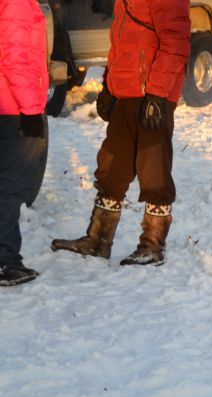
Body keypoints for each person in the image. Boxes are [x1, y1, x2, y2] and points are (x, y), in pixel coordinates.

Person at [50, 0, 190, 267]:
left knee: (154, 171)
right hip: (125, 92)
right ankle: (98, 240)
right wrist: (108, 86)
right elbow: (121, 44)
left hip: (152, 94)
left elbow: (176, 42)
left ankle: (152, 246)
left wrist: (158, 94)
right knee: (112, 167)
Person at [0, 0, 48, 287]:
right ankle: (4, 261)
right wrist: (30, 110)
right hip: (13, 108)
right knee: (11, 185)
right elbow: (15, 58)